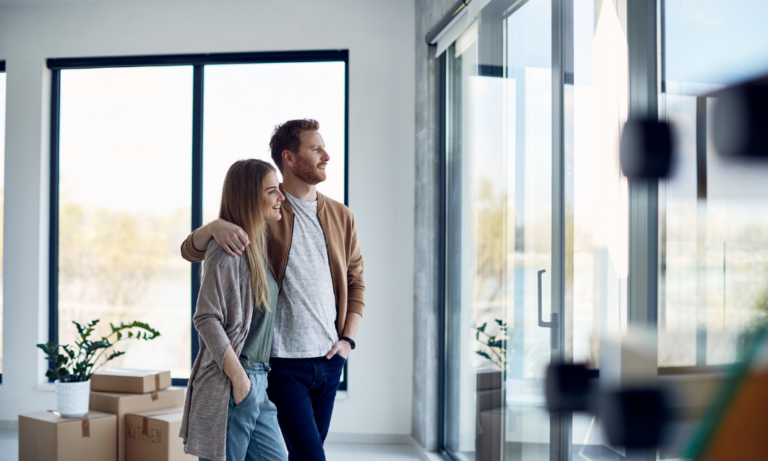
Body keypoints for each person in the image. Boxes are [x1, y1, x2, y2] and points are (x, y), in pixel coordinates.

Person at [180, 119, 366, 461]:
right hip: (279, 363)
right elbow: (192, 253)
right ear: (289, 158)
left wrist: (347, 342)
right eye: (316, 149)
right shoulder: (268, 213)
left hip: (328, 361)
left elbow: (356, 282)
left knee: (303, 452)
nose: (327, 155)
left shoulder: (341, 216)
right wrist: (214, 226)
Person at [179, 159, 288, 461]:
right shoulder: (227, 249)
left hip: (258, 381)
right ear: (251, 198)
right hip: (235, 379)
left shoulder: (255, 246)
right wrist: (240, 380)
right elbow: (206, 318)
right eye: (272, 191)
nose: (281, 197)